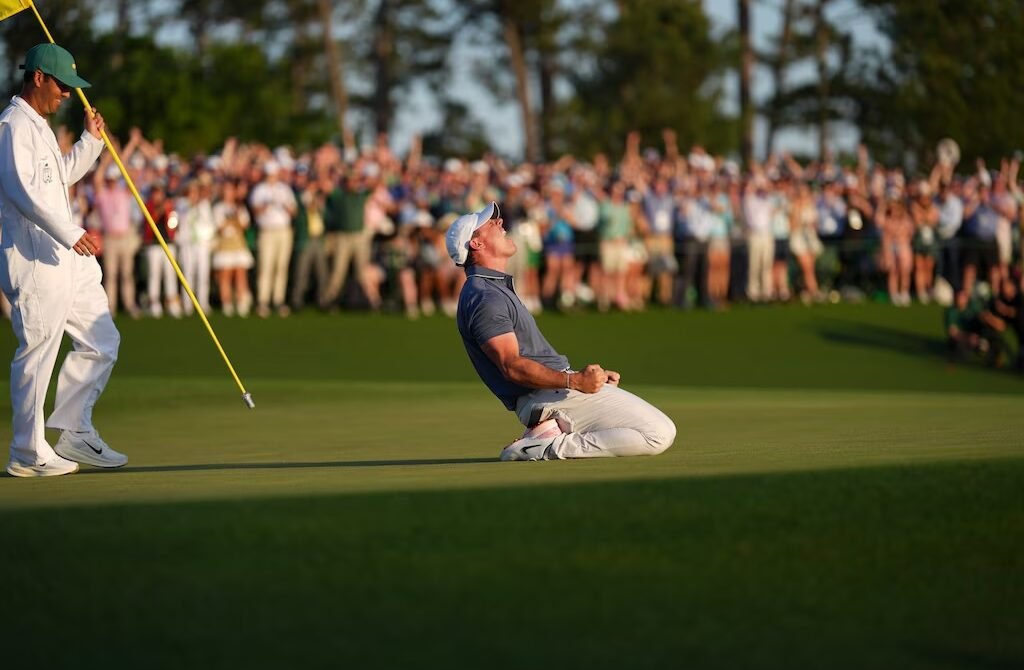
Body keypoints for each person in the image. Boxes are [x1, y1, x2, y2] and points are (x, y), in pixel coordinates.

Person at [447, 202, 676, 461]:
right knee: (658, 433)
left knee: (651, 429)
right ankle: (543, 447)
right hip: (546, 396)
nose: (500, 223)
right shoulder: (485, 295)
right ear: (476, 244)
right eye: (490, 224)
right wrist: (575, 381)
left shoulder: (489, 288)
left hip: (553, 391)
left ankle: (549, 432)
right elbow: (511, 366)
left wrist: (585, 378)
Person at [0, 43, 127, 476]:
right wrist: (73, 234)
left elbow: (58, 182)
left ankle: (74, 432)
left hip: (64, 259)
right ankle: (27, 452)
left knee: (102, 340)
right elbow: (23, 193)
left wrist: (92, 143)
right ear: (37, 77)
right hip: (35, 259)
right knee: (38, 351)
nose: (67, 94)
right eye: (61, 85)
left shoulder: (39, 126)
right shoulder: (12, 126)